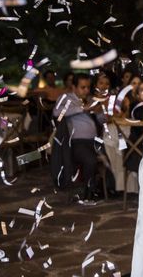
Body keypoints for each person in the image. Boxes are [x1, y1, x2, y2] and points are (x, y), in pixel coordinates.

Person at [51, 74, 105, 203]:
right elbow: (57, 112)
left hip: (94, 141)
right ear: (74, 87)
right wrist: (83, 108)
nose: (86, 90)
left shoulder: (90, 99)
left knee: (115, 151)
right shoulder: (66, 99)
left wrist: (100, 112)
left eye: (88, 87)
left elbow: (102, 120)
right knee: (90, 160)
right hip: (75, 142)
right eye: (83, 87)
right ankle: (88, 193)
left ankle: (108, 188)